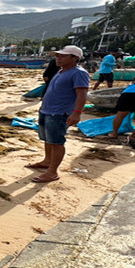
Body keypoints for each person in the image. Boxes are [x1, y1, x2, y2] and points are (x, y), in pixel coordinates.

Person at [26, 45, 90, 183]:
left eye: (63, 56)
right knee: (47, 139)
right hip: (47, 110)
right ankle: (47, 161)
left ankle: (52, 172)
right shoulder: (60, 71)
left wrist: (77, 113)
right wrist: (43, 106)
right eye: (58, 56)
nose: (58, 58)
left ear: (75, 58)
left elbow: (82, 94)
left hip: (60, 113)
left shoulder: (79, 73)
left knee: (56, 142)